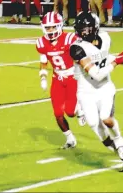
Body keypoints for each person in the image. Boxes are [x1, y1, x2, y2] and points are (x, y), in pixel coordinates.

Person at [70, 11, 123, 172]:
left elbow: (103, 57)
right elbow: (96, 74)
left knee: (106, 118)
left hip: (105, 88)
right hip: (86, 91)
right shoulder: (77, 48)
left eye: (86, 29)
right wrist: (118, 61)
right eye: (81, 29)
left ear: (95, 27)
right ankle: (114, 147)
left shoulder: (105, 38)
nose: (83, 32)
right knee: (94, 124)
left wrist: (118, 57)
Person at [36, 11, 86, 149]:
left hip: (72, 77)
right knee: (58, 113)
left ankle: (81, 109)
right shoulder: (41, 42)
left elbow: (83, 54)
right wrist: (43, 77)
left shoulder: (70, 38)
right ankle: (70, 139)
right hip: (57, 78)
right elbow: (43, 61)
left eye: (53, 27)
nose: (50, 30)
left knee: (70, 112)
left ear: (59, 26)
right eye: (47, 27)